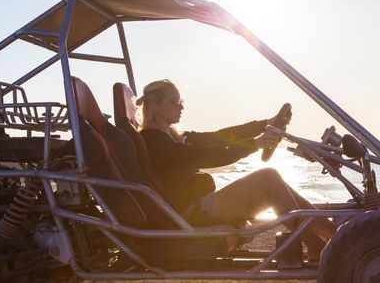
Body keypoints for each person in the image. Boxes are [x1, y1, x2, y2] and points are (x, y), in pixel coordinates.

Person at [137, 79, 336, 260]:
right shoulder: (154, 141)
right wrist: (255, 144)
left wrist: (264, 125)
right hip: (189, 212)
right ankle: (317, 245)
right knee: (268, 178)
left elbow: (219, 137)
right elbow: (206, 156)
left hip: (198, 205)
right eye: (176, 101)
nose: (182, 106)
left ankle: (334, 235)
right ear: (156, 105)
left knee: (274, 181)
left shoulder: (173, 135)